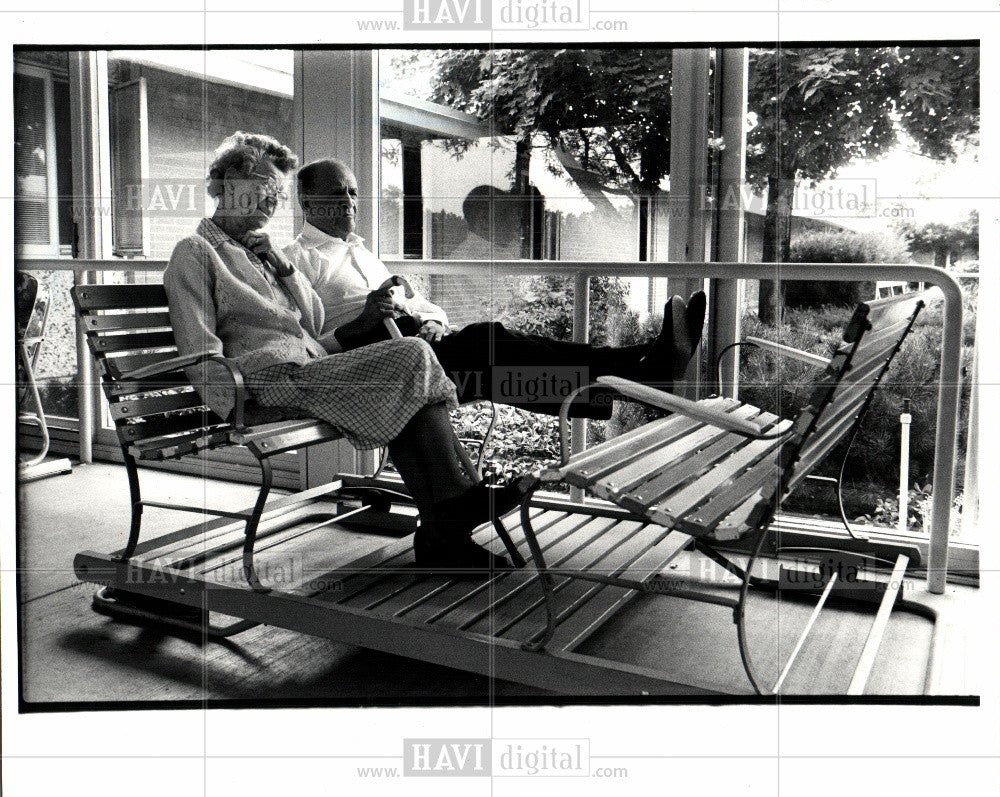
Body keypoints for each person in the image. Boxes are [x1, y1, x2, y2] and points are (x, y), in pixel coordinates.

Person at [163, 132, 523, 573]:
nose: (271, 202)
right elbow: (198, 349)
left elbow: (312, 323)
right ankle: (454, 506)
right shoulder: (196, 253)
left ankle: (444, 530)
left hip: (308, 369)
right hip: (265, 382)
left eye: (276, 193)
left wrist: (284, 268)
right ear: (224, 184)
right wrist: (235, 408)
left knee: (405, 375)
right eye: (261, 189)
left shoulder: (262, 253)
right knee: (409, 355)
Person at [284, 159, 707, 420]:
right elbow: (305, 351)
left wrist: (431, 320)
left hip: (419, 349)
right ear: (307, 202)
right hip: (375, 367)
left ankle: (643, 371)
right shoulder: (296, 262)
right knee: (492, 343)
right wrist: (362, 323)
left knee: (504, 370)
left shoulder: (365, 254)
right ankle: (642, 371)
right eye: (337, 195)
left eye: (354, 194)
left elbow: (424, 305)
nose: (350, 204)